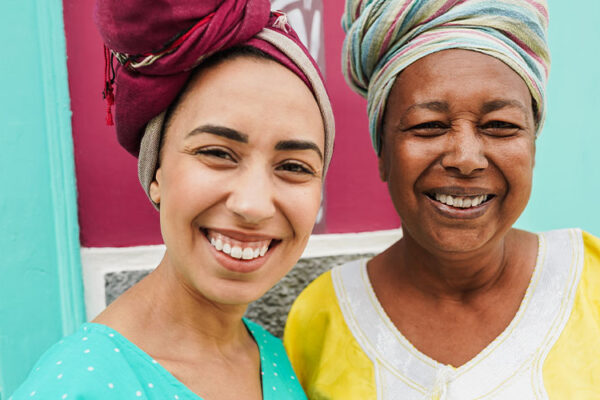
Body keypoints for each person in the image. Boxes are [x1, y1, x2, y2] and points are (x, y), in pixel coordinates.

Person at [11, 0, 334, 399]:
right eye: (217, 153)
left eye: (294, 166)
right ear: (157, 174)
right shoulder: (79, 385)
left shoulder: (268, 354)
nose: (252, 205)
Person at [284, 0, 600, 399]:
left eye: (500, 126)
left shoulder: (590, 281)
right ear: (383, 153)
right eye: (428, 126)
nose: (466, 159)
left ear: (533, 148)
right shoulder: (323, 317)